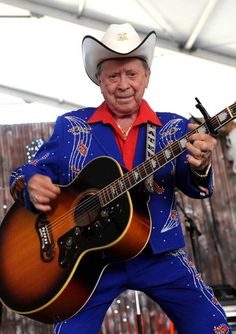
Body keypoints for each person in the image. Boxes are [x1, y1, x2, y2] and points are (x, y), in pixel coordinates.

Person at [10, 23, 231, 334]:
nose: (123, 84)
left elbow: (194, 185)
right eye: (113, 76)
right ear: (100, 81)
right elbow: (26, 172)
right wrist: (31, 184)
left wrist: (200, 164)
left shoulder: (173, 128)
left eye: (132, 74)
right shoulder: (72, 126)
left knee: (212, 327)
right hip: (88, 263)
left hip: (159, 253)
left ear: (147, 77)